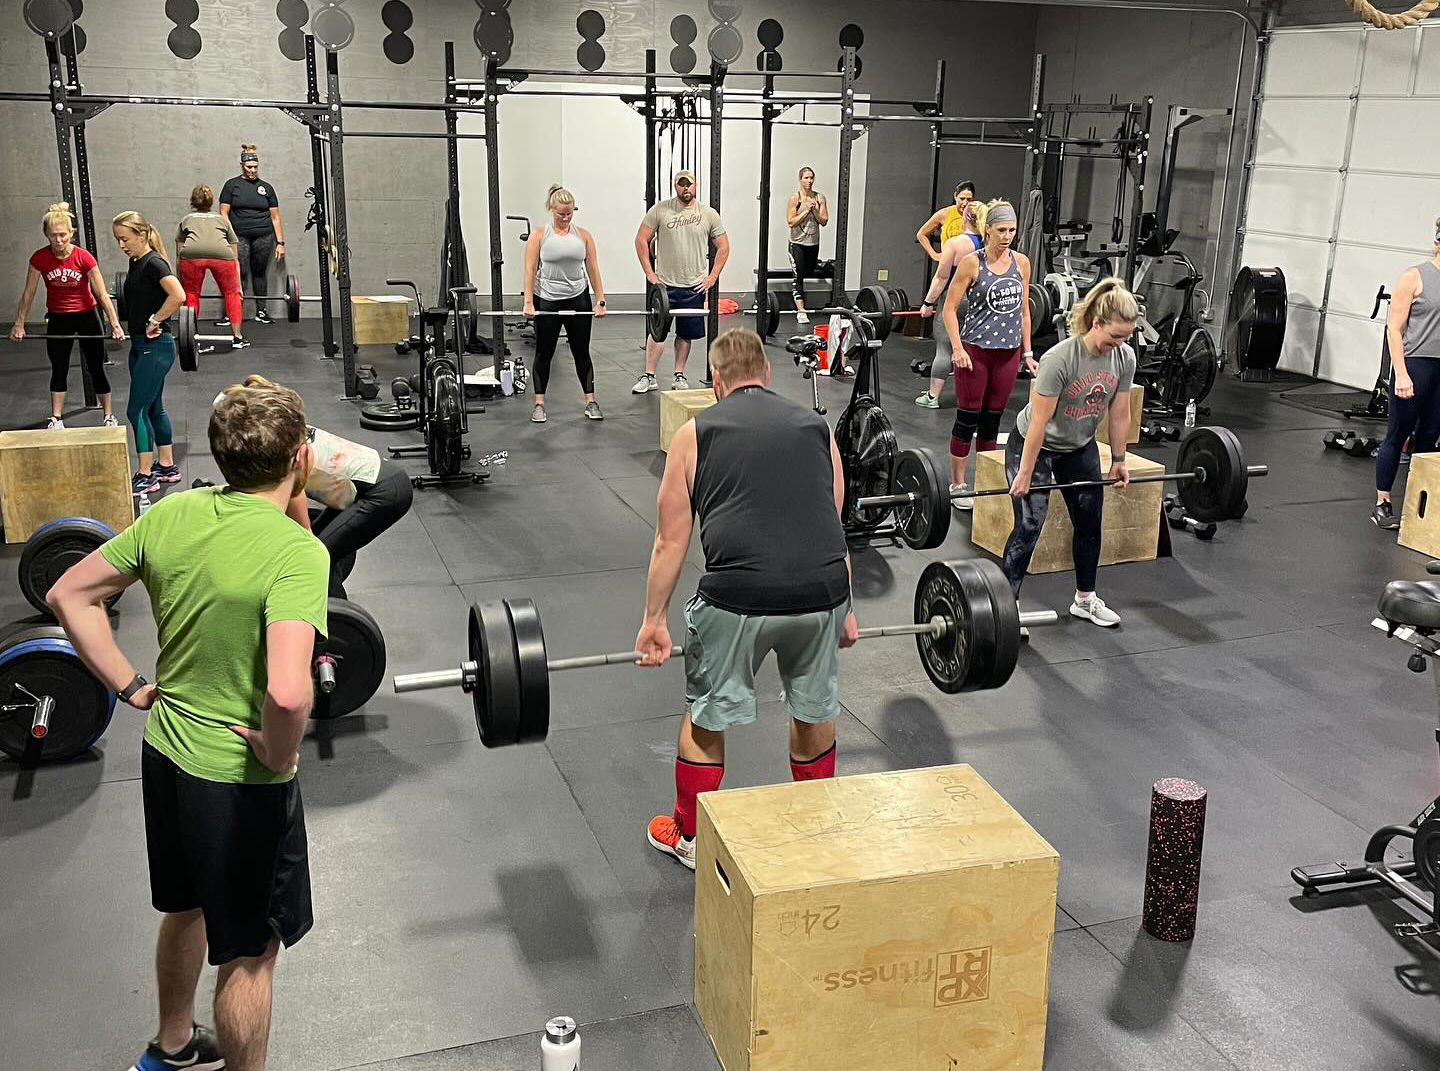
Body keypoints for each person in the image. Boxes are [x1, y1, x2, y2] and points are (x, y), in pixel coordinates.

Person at [45, 380, 330, 1071]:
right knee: (252, 952)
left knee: (187, 905)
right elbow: (289, 694)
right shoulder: (298, 554)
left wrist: (129, 683)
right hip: (238, 778)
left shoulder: (173, 512)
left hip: (165, 749)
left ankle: (172, 1045)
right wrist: (277, 750)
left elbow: (67, 592)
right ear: (299, 456)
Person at [634, 328, 859, 869]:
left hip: (737, 599)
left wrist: (653, 621)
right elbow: (833, 524)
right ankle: (812, 829)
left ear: (716, 380)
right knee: (814, 709)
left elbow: (670, 540)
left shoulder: (695, 433)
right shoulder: (815, 427)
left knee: (705, 717)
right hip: (821, 594)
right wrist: (845, 609)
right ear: (768, 373)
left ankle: (688, 836)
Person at [1002, 278, 1137, 628]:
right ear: (1097, 322)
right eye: (1115, 336)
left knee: (1090, 521)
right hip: (1036, 445)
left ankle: (1085, 599)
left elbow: (1120, 413)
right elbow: (1039, 424)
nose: (1119, 344)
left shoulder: (1123, 357)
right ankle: (1004, 608)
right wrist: (1025, 472)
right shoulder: (1059, 359)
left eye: (1126, 337)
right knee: (1030, 524)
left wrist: (1119, 460)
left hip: (1078, 446)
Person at [215, 376, 415, 597]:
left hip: (384, 491)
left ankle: (335, 626)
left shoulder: (278, 445)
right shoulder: (278, 428)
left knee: (318, 560)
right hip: (360, 491)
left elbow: (294, 495)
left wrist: (308, 543)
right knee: (321, 545)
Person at [940, 200, 1035, 506]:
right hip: (975, 351)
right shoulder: (972, 262)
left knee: (992, 422)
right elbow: (950, 309)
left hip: (1007, 354)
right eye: (1001, 230)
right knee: (968, 419)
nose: (1007, 236)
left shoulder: (1021, 263)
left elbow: (1024, 313)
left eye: (1012, 230)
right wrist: (957, 348)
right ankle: (957, 484)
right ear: (988, 230)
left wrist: (1028, 352)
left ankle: (984, 480)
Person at [9, 201, 123, 428]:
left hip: (87, 315)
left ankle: (108, 415)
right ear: (46, 234)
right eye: (53, 236)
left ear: (71, 232)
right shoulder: (39, 259)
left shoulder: (84, 257)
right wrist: (19, 324)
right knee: (58, 367)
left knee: (96, 366)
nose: (59, 240)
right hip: (58, 317)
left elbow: (101, 294)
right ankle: (56, 418)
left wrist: (115, 324)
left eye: (63, 235)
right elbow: (29, 293)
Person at [633, 170, 729, 393]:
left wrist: (712, 277)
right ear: (675, 186)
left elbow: (723, 246)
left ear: (695, 186)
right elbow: (640, 239)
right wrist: (650, 273)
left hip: (693, 286)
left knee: (685, 334)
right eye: (681, 184)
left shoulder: (708, 214)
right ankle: (649, 376)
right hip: (665, 285)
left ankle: (679, 375)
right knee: (656, 332)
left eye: (689, 184)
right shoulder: (660, 210)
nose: (685, 188)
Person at [1372, 217, 1440, 530]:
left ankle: (1418, 506)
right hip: (1415, 365)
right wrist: (1400, 373)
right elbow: (1394, 329)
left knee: (1429, 437)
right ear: (1438, 240)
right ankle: (1382, 503)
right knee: (1398, 435)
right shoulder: (1415, 276)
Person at [114, 211, 186, 494]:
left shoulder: (153, 263)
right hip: (141, 347)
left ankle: (146, 474)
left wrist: (156, 320)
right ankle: (166, 466)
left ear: (141, 235)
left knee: (136, 410)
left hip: (155, 347)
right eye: (119, 239)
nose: (122, 244)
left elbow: (178, 295)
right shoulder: (136, 262)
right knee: (154, 407)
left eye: (125, 238)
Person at [521, 185, 607, 423]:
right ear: (551, 209)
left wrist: (600, 299)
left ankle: (590, 401)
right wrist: (528, 301)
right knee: (544, 352)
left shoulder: (583, 236)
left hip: (578, 297)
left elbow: (592, 268)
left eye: (569, 213)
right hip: (547, 299)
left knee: (582, 352)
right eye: (561, 213)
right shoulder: (539, 235)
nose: (565, 217)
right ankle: (539, 404)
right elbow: (529, 270)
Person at [915, 199, 988, 409]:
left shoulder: (955, 244)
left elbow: (941, 278)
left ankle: (932, 396)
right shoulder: (991, 243)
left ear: (964, 217)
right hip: (981, 300)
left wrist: (928, 303)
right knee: (975, 348)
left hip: (957, 300)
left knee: (945, 347)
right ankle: (975, 397)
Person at [219, 143, 285, 326]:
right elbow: (223, 213)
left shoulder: (266, 188)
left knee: (259, 273)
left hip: (264, 236)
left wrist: (280, 242)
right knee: (238, 273)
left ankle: (261, 311)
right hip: (238, 236)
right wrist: (227, 235)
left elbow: (275, 217)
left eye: (255, 167)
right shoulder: (232, 185)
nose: (252, 170)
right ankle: (231, 313)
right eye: (249, 167)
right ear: (242, 165)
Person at [177, 184, 248, 350]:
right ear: (211, 201)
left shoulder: (186, 220)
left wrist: (180, 281)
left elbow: (179, 254)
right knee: (231, 294)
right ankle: (237, 338)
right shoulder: (222, 220)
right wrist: (238, 287)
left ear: (193, 201)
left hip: (191, 256)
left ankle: (190, 337)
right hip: (222, 255)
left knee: (191, 294)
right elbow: (234, 257)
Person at [784, 166, 829, 325]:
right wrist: (806, 210)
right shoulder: (794, 198)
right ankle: (801, 311)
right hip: (797, 244)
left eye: (811, 178)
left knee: (809, 271)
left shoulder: (820, 198)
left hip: (813, 244)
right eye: (806, 178)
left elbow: (823, 221)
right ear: (800, 179)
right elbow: (791, 222)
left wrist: (814, 210)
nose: (809, 181)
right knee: (799, 276)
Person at [915, 180, 976, 263]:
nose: (965, 203)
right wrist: (934, 254)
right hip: (948, 264)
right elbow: (921, 234)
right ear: (955, 196)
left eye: (969, 199)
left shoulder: (977, 215)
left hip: (969, 264)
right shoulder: (944, 214)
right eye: (962, 199)